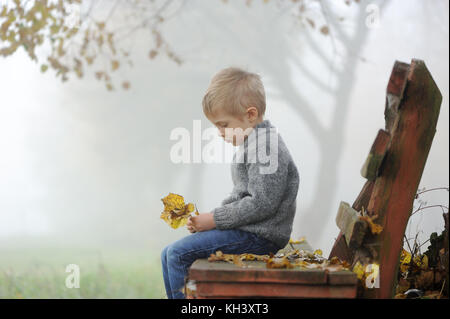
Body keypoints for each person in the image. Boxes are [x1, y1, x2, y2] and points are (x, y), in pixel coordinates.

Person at [161, 67, 300, 299]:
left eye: (223, 124)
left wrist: (214, 219)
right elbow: (241, 196)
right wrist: (211, 219)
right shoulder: (254, 144)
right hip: (249, 231)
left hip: (261, 237)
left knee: (177, 253)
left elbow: (262, 203)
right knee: (168, 253)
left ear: (251, 115)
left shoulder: (266, 147)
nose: (219, 132)